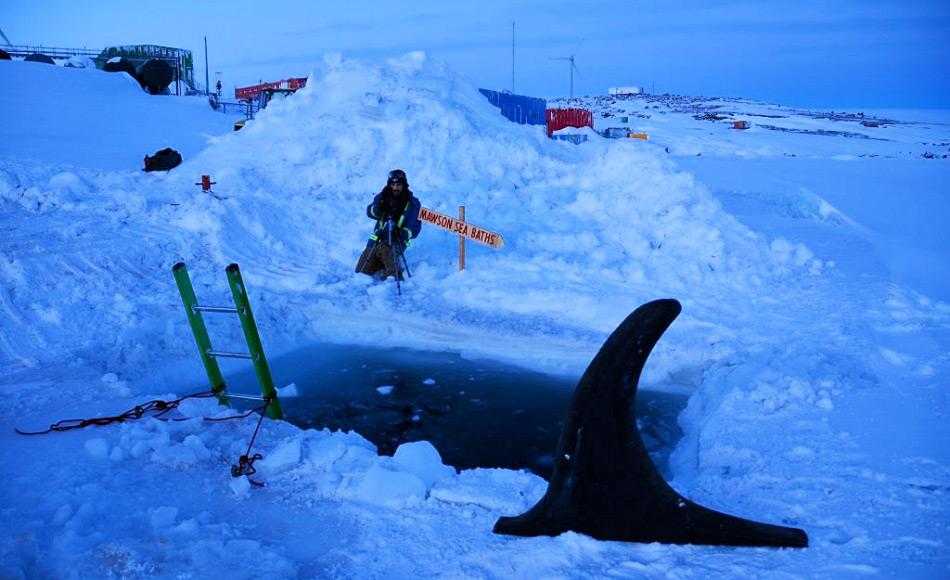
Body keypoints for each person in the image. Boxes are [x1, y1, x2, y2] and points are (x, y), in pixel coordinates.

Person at [355, 169, 422, 280]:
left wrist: (402, 233)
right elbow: (369, 212)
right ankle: (378, 264)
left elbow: (415, 228)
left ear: (404, 185)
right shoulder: (382, 197)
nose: (395, 188)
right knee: (361, 270)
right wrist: (378, 208)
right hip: (377, 239)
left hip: (398, 241)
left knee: (386, 250)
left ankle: (393, 277)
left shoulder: (412, 203)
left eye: (399, 185)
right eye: (393, 184)